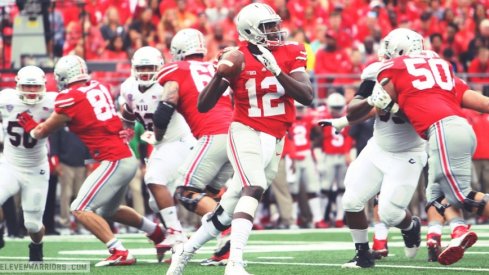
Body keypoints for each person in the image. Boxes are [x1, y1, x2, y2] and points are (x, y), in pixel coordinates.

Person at [166, 3, 313, 275]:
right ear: (250, 30)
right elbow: (203, 105)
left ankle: (184, 251)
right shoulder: (236, 57)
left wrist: (277, 70)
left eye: (274, 24)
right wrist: (219, 74)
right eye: (268, 27)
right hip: (245, 130)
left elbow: (307, 95)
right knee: (253, 187)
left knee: (226, 211)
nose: (275, 30)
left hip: (276, 136)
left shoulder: (291, 51)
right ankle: (234, 264)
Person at [17, 55, 165, 267]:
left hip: (114, 160)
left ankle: (119, 251)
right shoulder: (98, 86)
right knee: (108, 211)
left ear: (63, 77)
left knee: (79, 207)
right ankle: (157, 232)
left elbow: (42, 132)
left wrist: (32, 126)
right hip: (125, 157)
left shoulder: (69, 98)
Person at [372, 29, 489, 266]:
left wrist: (384, 107)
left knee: (461, 195)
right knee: (436, 195)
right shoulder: (440, 71)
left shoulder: (395, 68)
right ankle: (453, 232)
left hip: (443, 130)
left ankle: (459, 230)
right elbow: (480, 102)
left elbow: (379, 106)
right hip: (459, 129)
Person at [318, 29, 428, 268]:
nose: (384, 55)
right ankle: (363, 255)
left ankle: (411, 226)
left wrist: (394, 107)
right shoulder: (376, 71)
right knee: (351, 201)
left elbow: (423, 117)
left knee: (389, 213)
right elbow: (354, 108)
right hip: (378, 147)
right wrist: (371, 100)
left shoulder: (423, 76)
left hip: (408, 152)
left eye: (390, 50)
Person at [156, 28, 234, 266]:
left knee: (184, 192)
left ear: (178, 52)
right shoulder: (214, 67)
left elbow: (165, 108)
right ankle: (225, 250)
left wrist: (157, 135)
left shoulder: (176, 69)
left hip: (213, 134)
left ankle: (227, 231)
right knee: (209, 193)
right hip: (235, 134)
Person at [120, 46, 194, 262]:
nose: (145, 73)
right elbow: (129, 111)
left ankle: (177, 234)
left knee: (153, 178)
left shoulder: (167, 85)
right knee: (156, 202)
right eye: (141, 68)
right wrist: (126, 126)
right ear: (134, 68)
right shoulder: (128, 87)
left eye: (150, 68)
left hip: (180, 139)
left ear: (159, 67)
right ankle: (179, 240)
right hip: (162, 145)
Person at [0, 65, 56, 261]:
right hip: (9, 164)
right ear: (17, 85)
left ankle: (36, 244)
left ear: (44, 86)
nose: (31, 91)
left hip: (36, 169)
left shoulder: (53, 102)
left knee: (32, 224)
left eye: (35, 87)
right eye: (26, 86)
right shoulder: (5, 99)